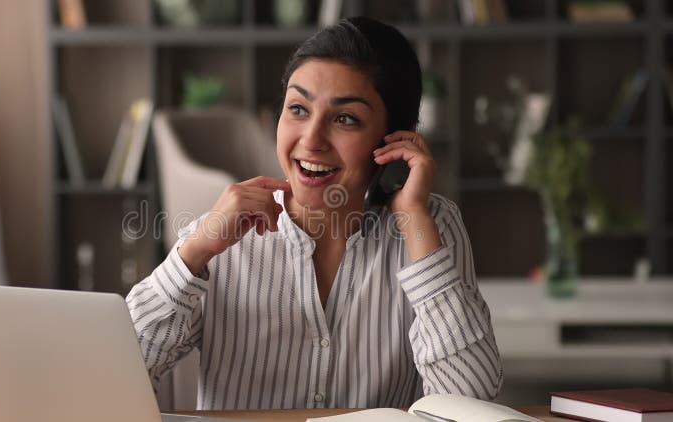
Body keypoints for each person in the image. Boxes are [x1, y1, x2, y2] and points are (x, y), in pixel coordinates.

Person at [126, 16, 502, 410]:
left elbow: (470, 402)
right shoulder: (222, 234)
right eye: (298, 109)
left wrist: (414, 220)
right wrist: (194, 253)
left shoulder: (430, 225)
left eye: (345, 119)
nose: (311, 139)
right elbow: (116, 368)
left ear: (394, 139)